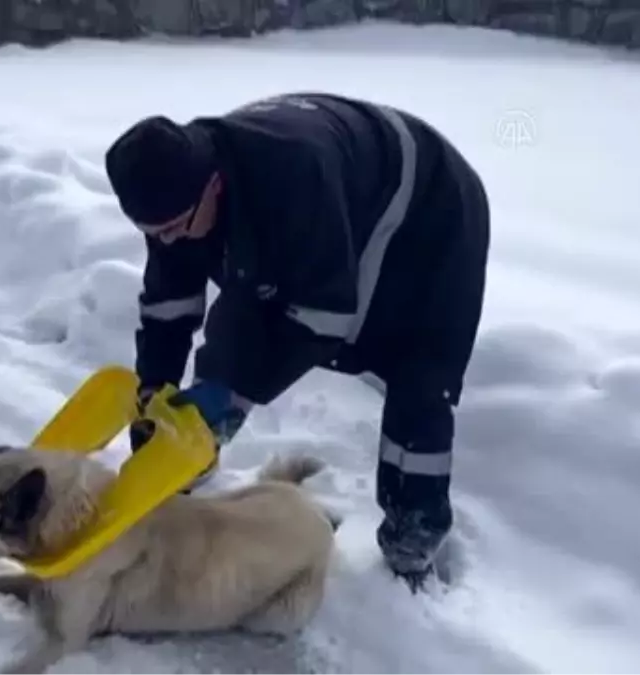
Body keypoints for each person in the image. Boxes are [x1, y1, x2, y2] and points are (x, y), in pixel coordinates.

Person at [104, 92, 490, 590]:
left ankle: (412, 544)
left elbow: (324, 318)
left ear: (214, 186)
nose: (167, 242)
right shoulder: (172, 188)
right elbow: (167, 304)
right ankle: (193, 453)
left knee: (420, 371)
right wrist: (154, 387)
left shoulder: (291, 180)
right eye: (151, 233)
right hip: (336, 194)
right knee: (238, 320)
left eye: (175, 229)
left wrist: (229, 393)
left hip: (430, 207)